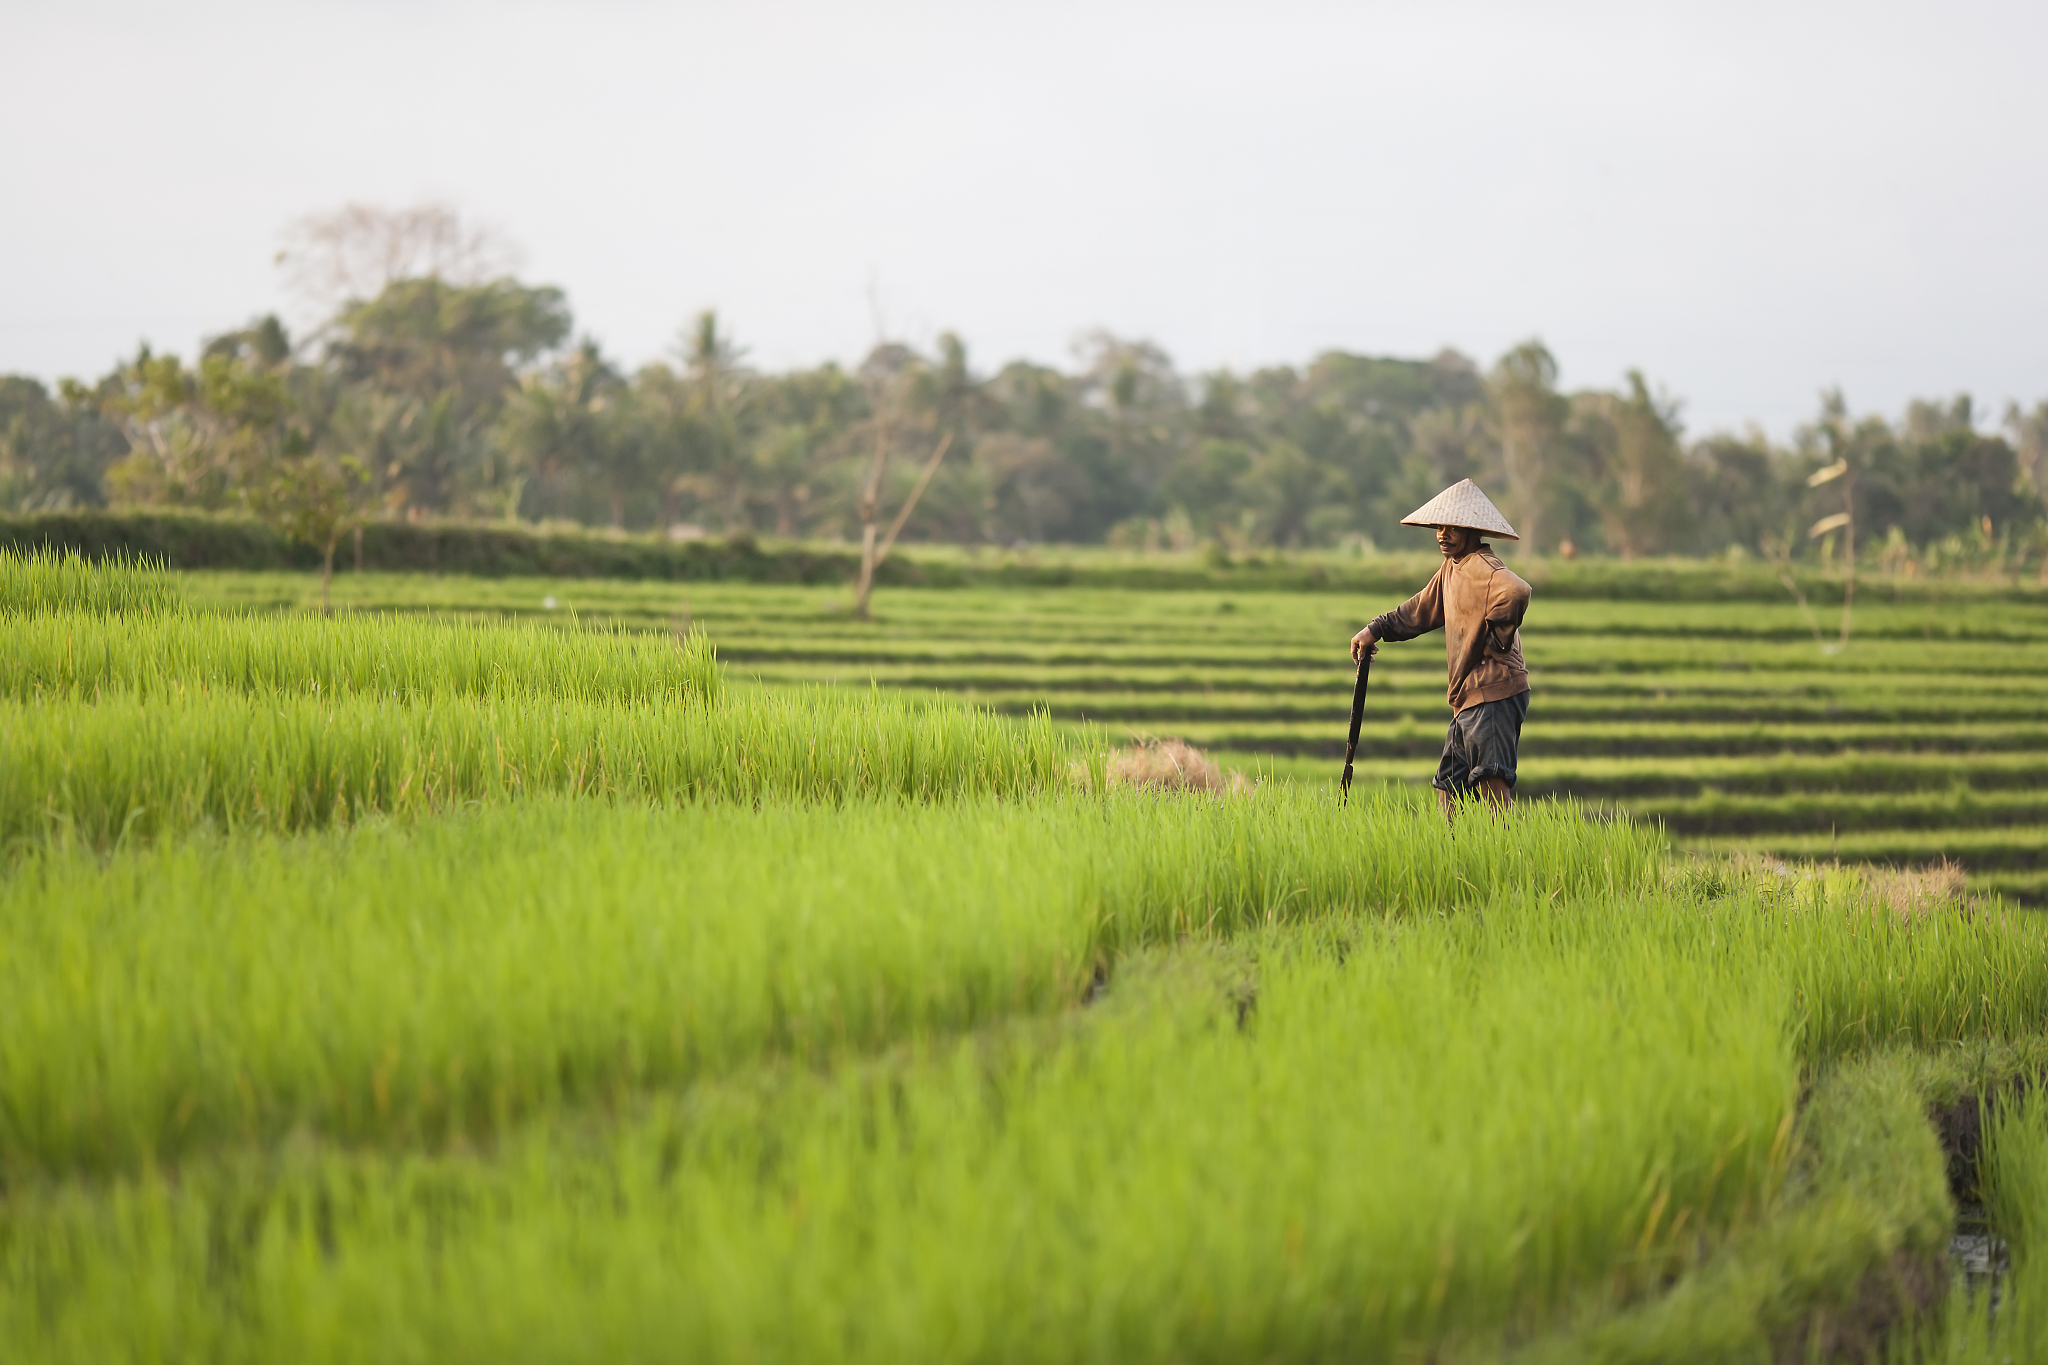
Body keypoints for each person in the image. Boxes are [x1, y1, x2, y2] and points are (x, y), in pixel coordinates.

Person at [1350, 479, 1532, 823]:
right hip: (1468, 696)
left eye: (1450, 527)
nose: (1441, 534)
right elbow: (1419, 610)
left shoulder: (1483, 566)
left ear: (1470, 529)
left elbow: (1517, 590)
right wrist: (1375, 629)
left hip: (1492, 691)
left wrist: (1494, 634)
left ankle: (1510, 856)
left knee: (1491, 781)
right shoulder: (1453, 568)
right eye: (1438, 526)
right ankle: (1450, 852)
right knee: (1448, 785)